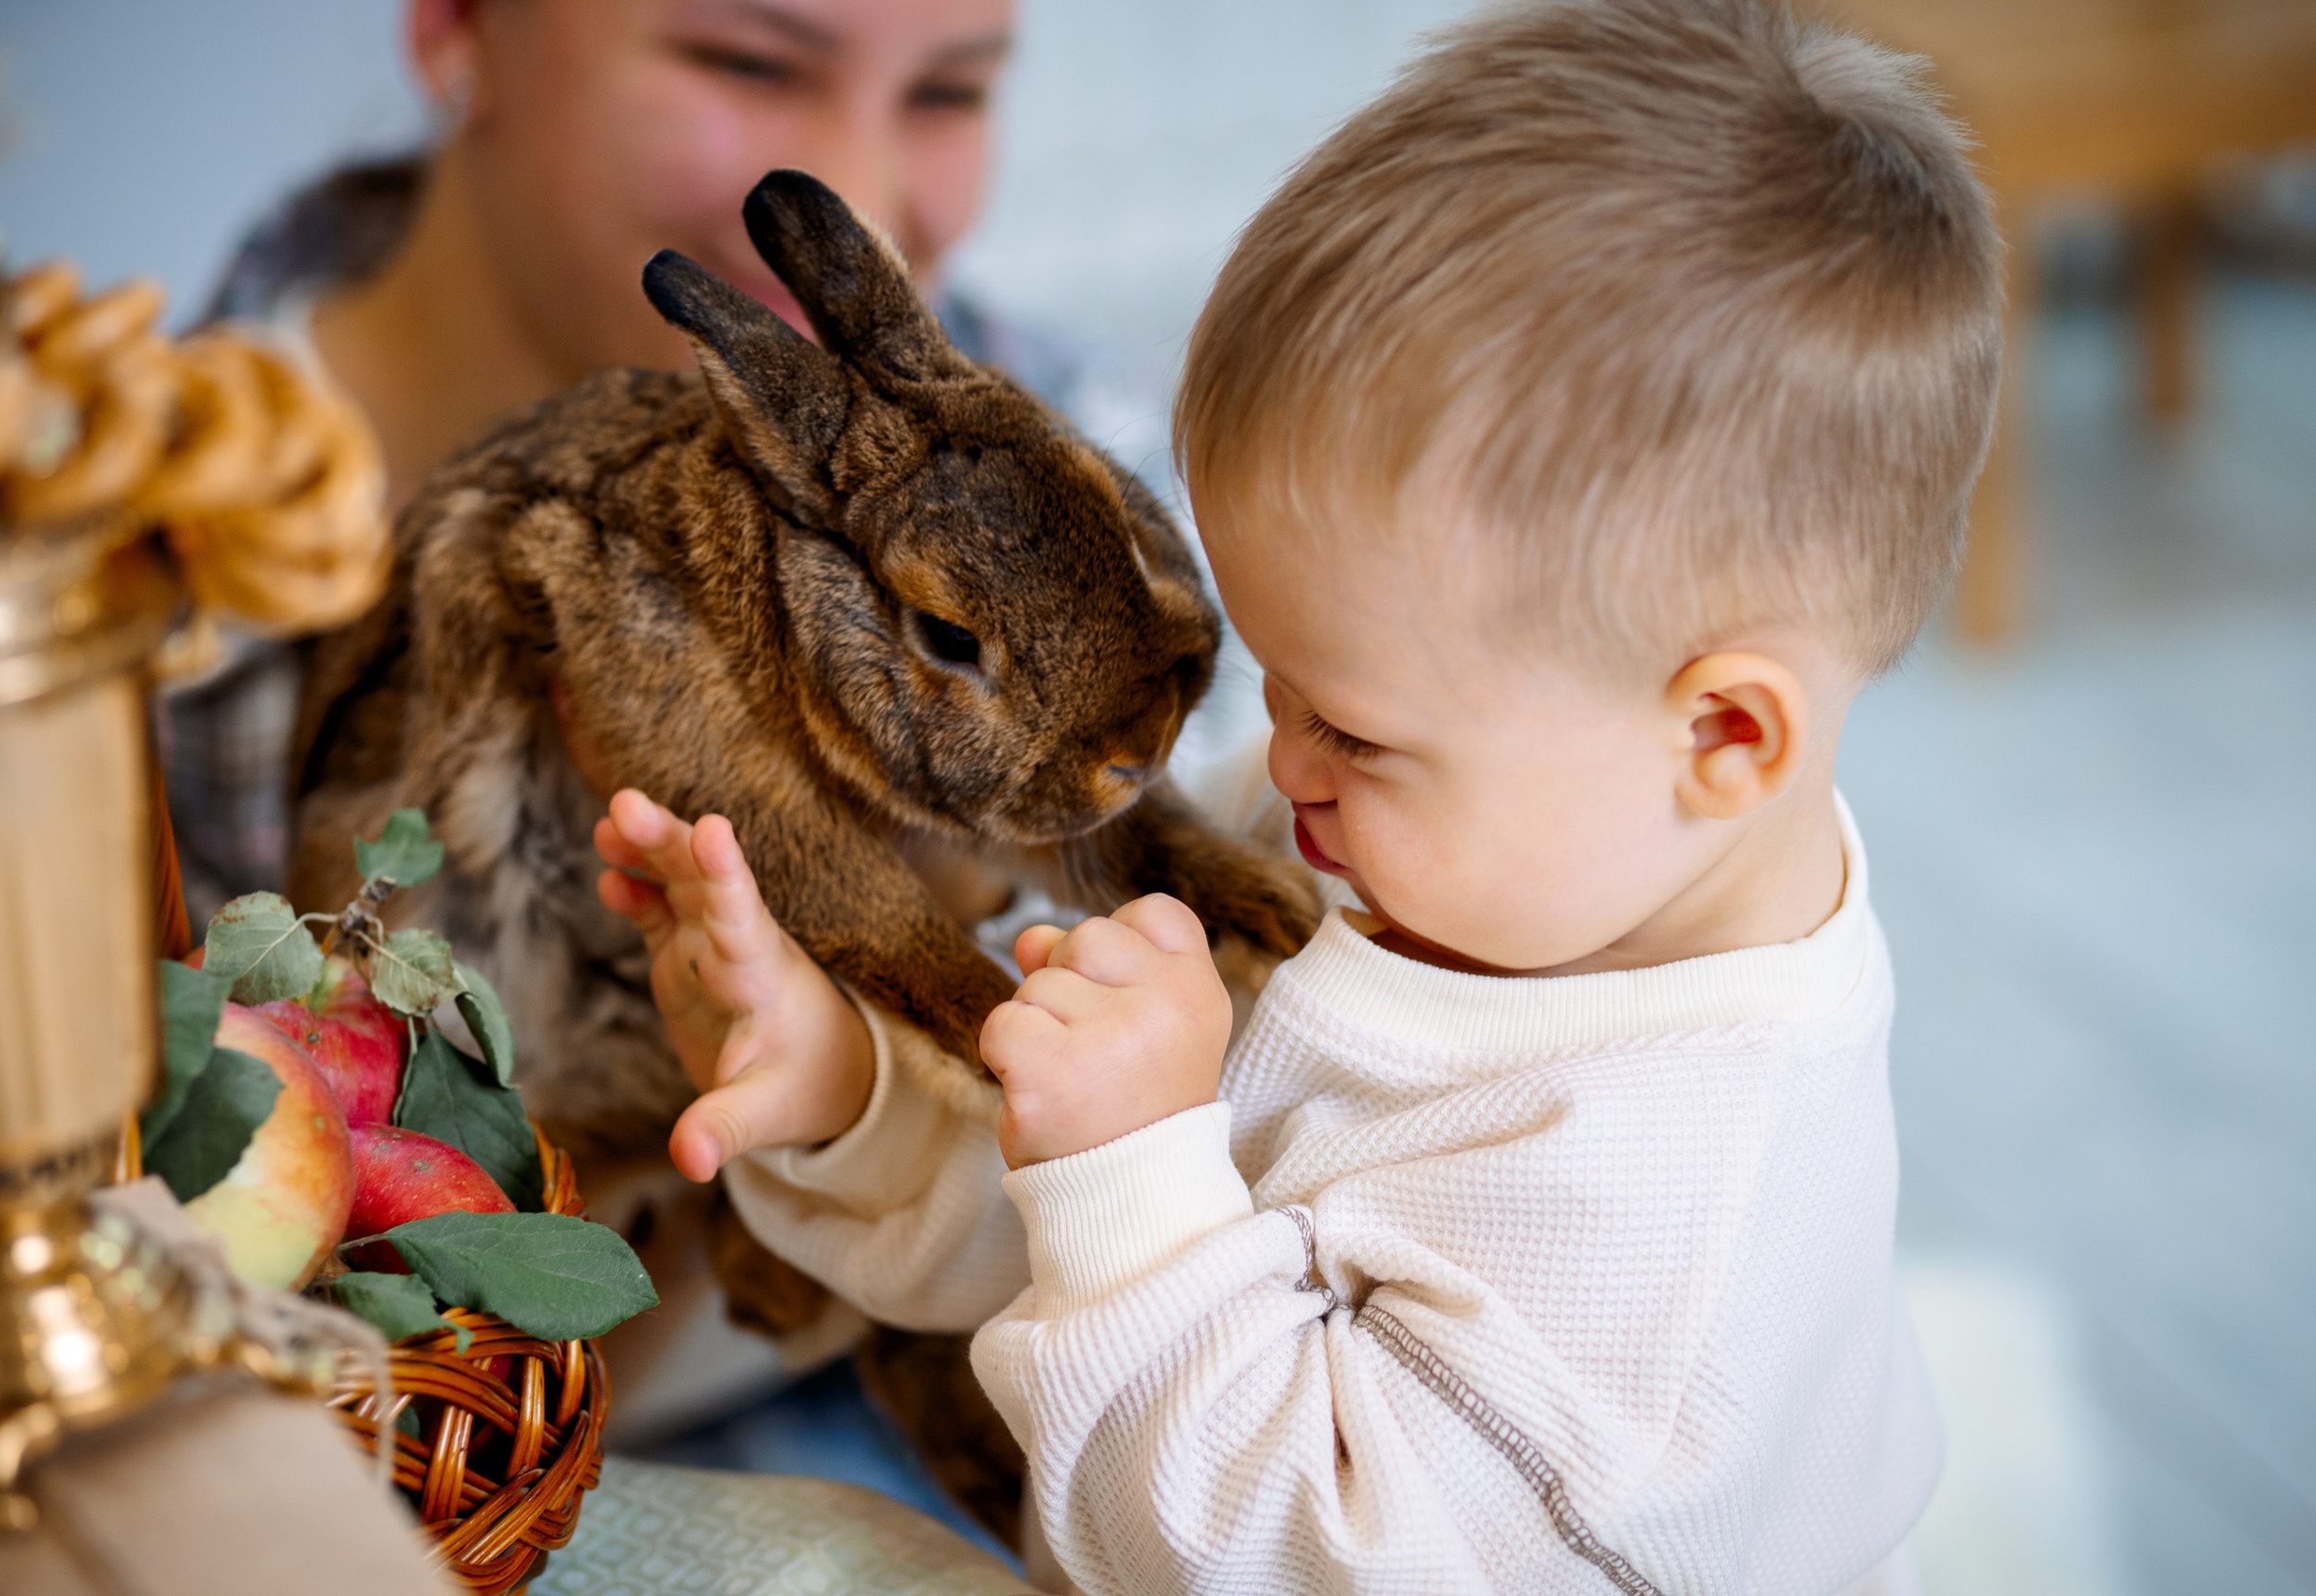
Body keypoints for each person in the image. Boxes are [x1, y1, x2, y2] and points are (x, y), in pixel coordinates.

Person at [592, 0, 2002, 1589]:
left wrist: (1133, 1169)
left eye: (1357, 726)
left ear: (1725, 737)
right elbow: (1099, 1228)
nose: (1279, 760)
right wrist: (849, 1087)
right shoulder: (1470, 849)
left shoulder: (1662, 1255)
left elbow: (1271, 1538)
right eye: (1277, 682)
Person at [165, 0, 1057, 927]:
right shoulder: (120, 609)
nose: (861, 200)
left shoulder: (1118, 443)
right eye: (749, 65)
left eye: (948, 93)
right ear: (457, 24)